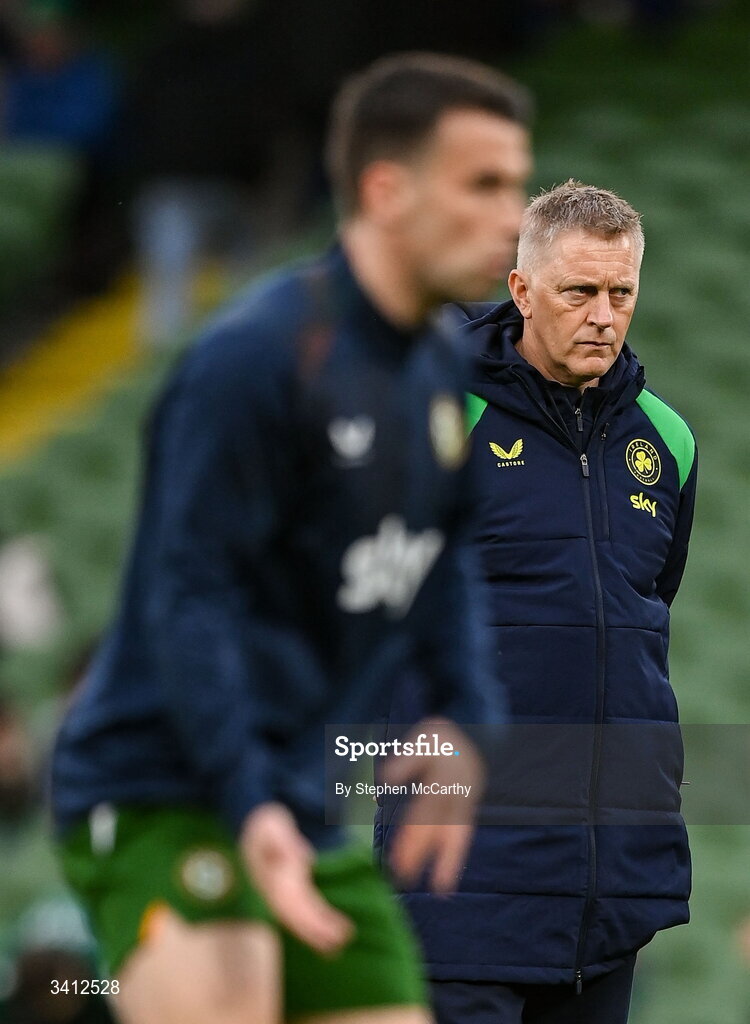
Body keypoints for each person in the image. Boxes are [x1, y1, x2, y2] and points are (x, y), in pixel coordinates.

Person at [50, 52, 532, 1024]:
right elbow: (192, 596)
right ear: (387, 190)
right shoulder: (255, 361)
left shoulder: (444, 371)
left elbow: (442, 569)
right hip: (166, 787)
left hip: (305, 809)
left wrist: (467, 715)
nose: (513, 216)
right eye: (483, 184)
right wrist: (246, 797)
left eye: (518, 185)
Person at [379, 180, 697, 1024]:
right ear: (521, 290)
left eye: (620, 292)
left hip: (605, 890)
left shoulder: (667, 441)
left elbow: (642, 611)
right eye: (579, 291)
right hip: (461, 881)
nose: (603, 314)